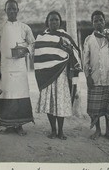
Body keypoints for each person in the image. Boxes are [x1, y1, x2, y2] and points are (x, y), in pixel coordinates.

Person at [34, 11, 81, 140]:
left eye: (56, 20)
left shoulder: (65, 36)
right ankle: (53, 130)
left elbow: (76, 52)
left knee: (60, 102)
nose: (54, 22)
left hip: (61, 75)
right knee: (49, 102)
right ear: (47, 22)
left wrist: (70, 51)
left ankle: (61, 131)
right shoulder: (41, 37)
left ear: (60, 22)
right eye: (51, 20)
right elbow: (38, 55)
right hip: (47, 75)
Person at [0, 0, 35, 136]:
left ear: (18, 10)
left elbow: (33, 44)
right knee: (7, 94)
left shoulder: (25, 28)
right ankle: (7, 124)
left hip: (20, 67)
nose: (11, 11)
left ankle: (19, 125)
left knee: (20, 94)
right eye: (9, 9)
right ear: (5, 11)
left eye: (13, 9)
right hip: (5, 68)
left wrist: (24, 49)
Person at [83, 10, 109, 141]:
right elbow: (86, 61)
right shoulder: (89, 40)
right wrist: (88, 77)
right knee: (95, 107)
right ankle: (98, 130)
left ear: (104, 21)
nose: (99, 22)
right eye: (96, 20)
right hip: (95, 78)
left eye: (101, 20)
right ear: (92, 23)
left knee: (108, 106)